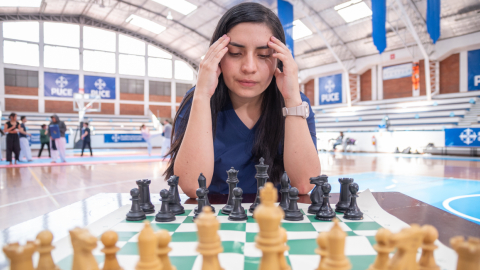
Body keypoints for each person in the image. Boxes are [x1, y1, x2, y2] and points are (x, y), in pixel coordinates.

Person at [164, 3, 320, 198]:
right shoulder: (196, 99)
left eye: (263, 55)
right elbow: (192, 186)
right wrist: (202, 95)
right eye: (235, 53)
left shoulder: (297, 103)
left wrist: (292, 99)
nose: (249, 67)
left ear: (279, 59)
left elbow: (305, 184)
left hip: (276, 222)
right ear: (217, 55)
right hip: (215, 222)